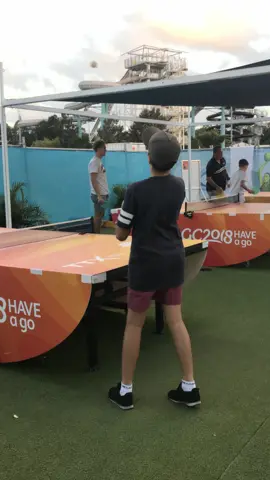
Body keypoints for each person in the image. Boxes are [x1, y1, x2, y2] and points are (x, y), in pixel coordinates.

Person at [110, 126, 199, 411]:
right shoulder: (179, 186)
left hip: (145, 264)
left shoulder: (135, 190)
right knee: (176, 321)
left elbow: (121, 234)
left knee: (134, 324)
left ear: (149, 157)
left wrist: (121, 220)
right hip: (173, 259)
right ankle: (189, 386)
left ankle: (125, 391)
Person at [88, 140, 109, 233]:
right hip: (98, 194)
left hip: (103, 193)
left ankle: (97, 233)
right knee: (98, 215)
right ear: (99, 149)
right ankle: (96, 235)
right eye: (104, 148)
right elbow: (93, 180)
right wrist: (99, 195)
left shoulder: (99, 161)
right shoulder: (94, 162)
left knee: (101, 214)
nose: (106, 150)